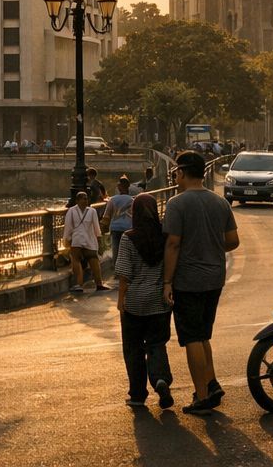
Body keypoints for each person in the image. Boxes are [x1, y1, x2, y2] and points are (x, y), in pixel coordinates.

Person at [162, 150, 239, 415]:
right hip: (215, 277)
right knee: (204, 334)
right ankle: (211, 383)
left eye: (175, 172)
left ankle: (202, 396)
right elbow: (233, 241)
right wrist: (210, 246)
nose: (175, 177)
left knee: (192, 337)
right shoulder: (220, 203)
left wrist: (167, 281)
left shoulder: (176, 204)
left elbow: (172, 244)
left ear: (182, 172)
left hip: (188, 280)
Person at [114, 193, 174, 409]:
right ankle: (160, 379)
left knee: (133, 348)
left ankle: (138, 394)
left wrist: (121, 301)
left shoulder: (128, 238)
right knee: (157, 343)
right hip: (159, 301)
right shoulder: (165, 237)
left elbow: (124, 275)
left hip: (135, 302)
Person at [62, 189, 107, 294]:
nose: (86, 200)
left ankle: (79, 284)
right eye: (84, 199)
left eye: (86, 198)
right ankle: (98, 284)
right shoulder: (91, 211)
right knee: (93, 260)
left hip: (77, 240)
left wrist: (66, 240)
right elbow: (97, 228)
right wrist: (98, 238)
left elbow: (68, 228)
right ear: (77, 200)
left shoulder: (72, 211)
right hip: (88, 240)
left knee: (77, 260)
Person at [102, 177, 134, 256]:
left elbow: (106, 217)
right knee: (128, 252)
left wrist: (102, 229)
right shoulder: (132, 200)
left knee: (116, 251)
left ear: (119, 187)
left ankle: (116, 267)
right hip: (128, 229)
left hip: (115, 228)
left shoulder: (112, 200)